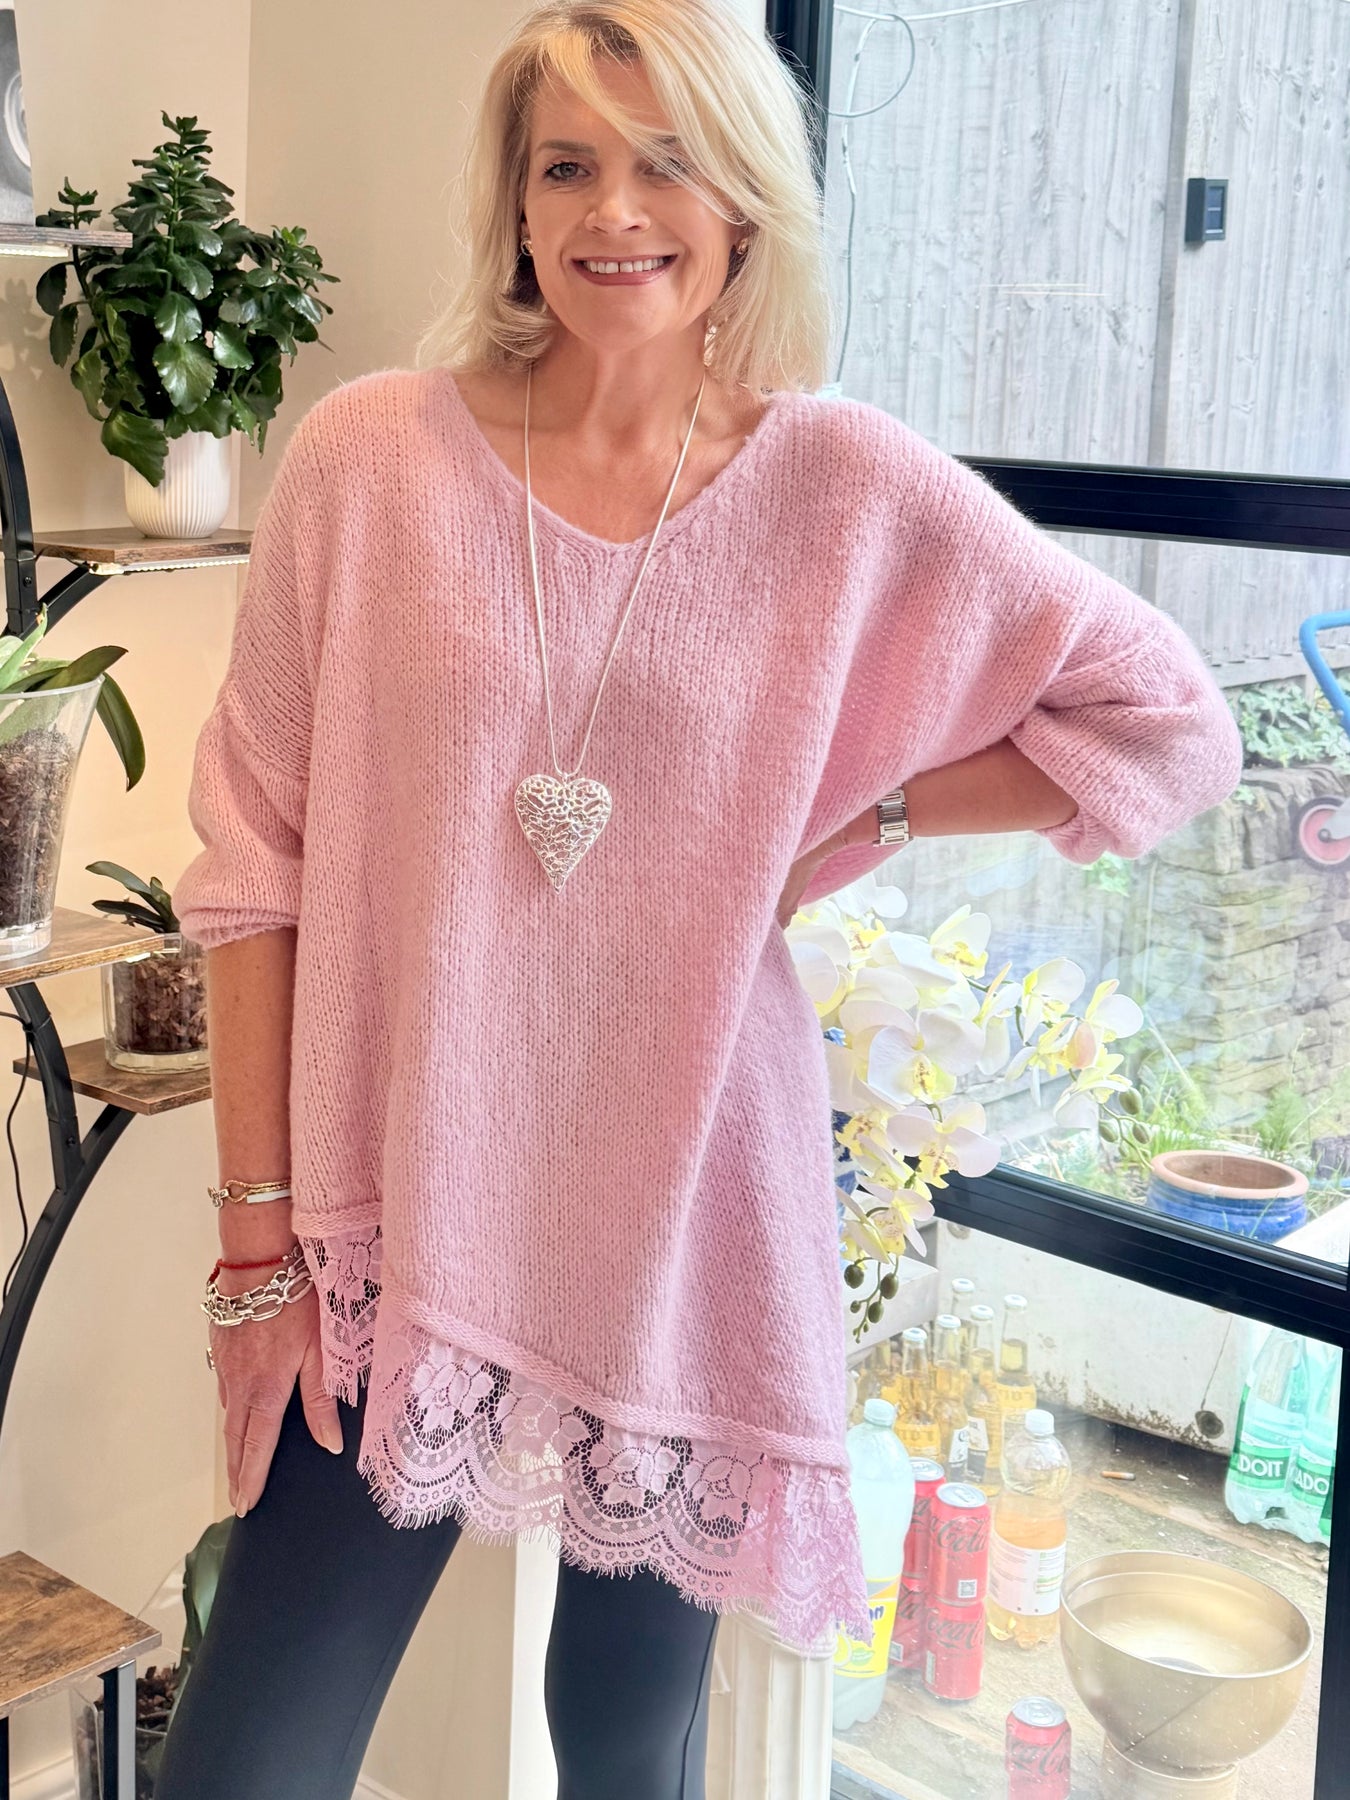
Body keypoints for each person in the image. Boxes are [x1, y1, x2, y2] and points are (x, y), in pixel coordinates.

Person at [156, 2, 1245, 1796]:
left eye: (666, 163)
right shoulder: (367, 461)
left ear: (744, 200)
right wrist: (253, 1257)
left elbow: (1166, 723)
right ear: (512, 203)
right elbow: (250, 869)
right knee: (246, 1759)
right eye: (564, 166)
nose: (614, 211)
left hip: (680, 1221)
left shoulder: (840, 490)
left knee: (626, 1759)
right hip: (392, 1222)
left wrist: (875, 806)